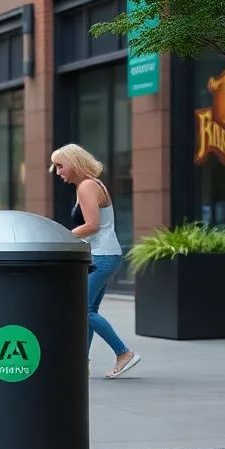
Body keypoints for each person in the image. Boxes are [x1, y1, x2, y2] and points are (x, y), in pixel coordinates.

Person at [51, 143, 141, 379]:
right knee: (89, 310)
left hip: (102, 256)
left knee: (83, 310)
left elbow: (92, 225)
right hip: (103, 255)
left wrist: (61, 237)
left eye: (60, 166)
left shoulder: (87, 186)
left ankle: (124, 353)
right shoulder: (91, 184)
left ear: (74, 163)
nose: (57, 172)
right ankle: (82, 363)